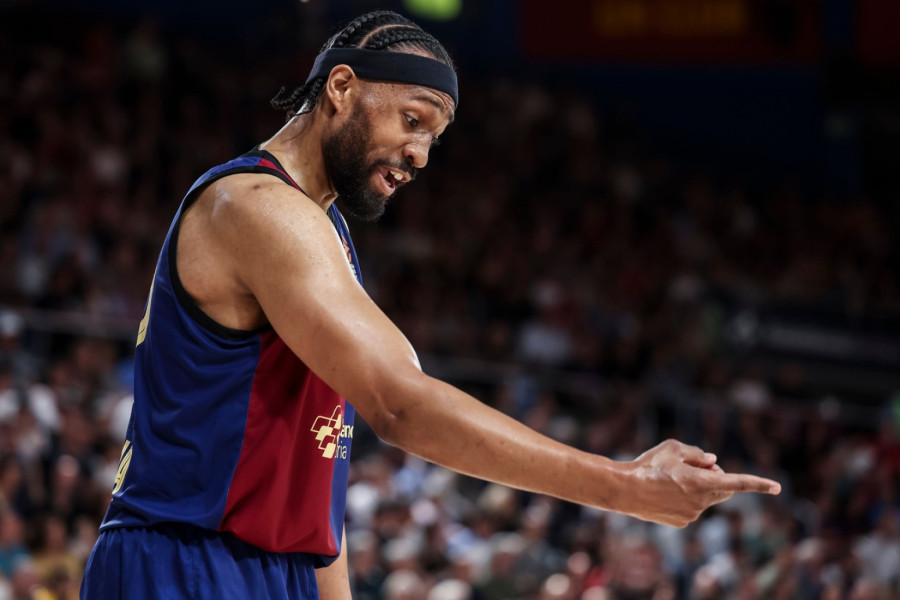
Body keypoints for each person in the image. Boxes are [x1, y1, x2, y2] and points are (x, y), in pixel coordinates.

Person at [80, 10, 781, 600]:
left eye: (433, 138)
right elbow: (401, 405)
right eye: (412, 120)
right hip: (184, 560)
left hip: (267, 568)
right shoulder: (257, 207)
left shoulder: (324, 231)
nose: (419, 155)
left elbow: (313, 484)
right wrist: (624, 485)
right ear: (342, 88)